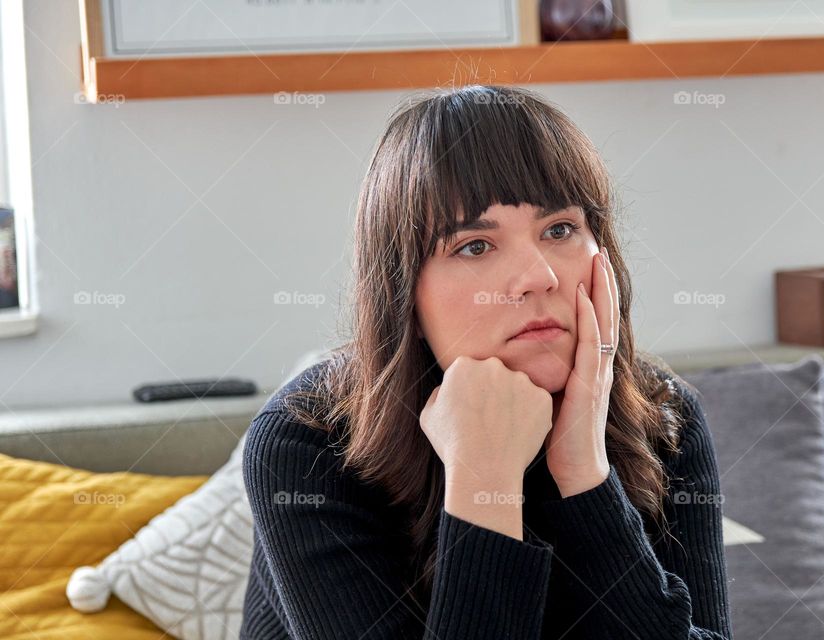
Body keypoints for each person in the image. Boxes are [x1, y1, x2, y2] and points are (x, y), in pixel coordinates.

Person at [240, 84, 732, 639]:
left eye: (560, 230)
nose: (539, 276)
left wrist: (584, 476)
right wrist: (484, 482)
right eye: (474, 245)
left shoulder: (666, 418)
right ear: (403, 292)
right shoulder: (307, 444)